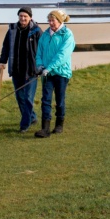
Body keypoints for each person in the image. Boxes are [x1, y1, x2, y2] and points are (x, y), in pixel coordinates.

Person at [0, 7, 42, 132]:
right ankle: (32, 117)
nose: (23, 18)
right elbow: (6, 46)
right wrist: (2, 61)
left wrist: (42, 66)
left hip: (31, 71)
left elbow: (43, 49)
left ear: (30, 17)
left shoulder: (36, 31)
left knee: (28, 98)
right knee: (20, 97)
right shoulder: (12, 30)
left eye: (25, 16)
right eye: (21, 16)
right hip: (16, 70)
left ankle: (24, 125)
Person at [35, 9, 76, 137]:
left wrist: (49, 67)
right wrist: (40, 66)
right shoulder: (45, 34)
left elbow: (63, 55)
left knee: (60, 99)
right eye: (49, 20)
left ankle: (59, 125)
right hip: (47, 73)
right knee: (45, 100)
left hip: (61, 73)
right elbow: (39, 52)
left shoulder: (67, 34)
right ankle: (45, 129)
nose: (51, 23)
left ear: (60, 20)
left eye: (53, 20)